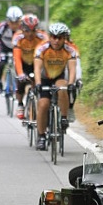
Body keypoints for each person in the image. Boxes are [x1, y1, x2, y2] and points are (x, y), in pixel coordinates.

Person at [34, 22, 77, 151]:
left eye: (59, 37)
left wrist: (71, 84)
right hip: (45, 78)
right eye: (53, 37)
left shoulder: (69, 50)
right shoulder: (42, 48)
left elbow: (72, 69)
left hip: (59, 77)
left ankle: (63, 118)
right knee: (43, 104)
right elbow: (37, 68)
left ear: (64, 38)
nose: (56, 40)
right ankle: (41, 136)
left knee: (63, 87)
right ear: (49, 36)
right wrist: (37, 84)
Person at [12, 13, 48, 119]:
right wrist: (20, 73)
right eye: (27, 30)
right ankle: (20, 104)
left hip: (38, 63)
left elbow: (47, 55)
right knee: (21, 82)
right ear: (22, 29)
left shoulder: (43, 37)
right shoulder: (18, 38)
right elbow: (17, 58)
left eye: (33, 30)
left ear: (37, 29)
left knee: (40, 82)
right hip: (23, 63)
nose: (30, 34)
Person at [0, 6, 23, 94]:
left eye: (16, 22)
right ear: (7, 21)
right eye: (11, 22)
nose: (14, 25)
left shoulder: (24, 28)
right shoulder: (3, 27)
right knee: (1, 64)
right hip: (5, 47)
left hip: (18, 48)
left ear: (20, 21)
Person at [60, 24, 82, 123]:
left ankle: (70, 108)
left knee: (72, 86)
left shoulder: (72, 47)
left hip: (68, 70)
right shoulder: (50, 46)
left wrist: (78, 79)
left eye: (65, 37)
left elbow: (77, 64)